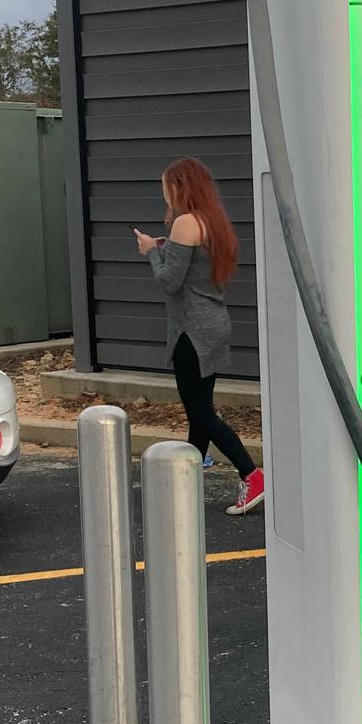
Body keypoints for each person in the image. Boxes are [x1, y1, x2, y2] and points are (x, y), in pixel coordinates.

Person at [134, 157, 264, 516]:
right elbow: (191, 269)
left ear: (180, 187)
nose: (166, 195)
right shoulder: (212, 222)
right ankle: (189, 480)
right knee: (199, 410)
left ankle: (252, 474)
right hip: (213, 324)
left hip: (192, 330)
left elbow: (168, 281)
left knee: (201, 412)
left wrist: (150, 252)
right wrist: (165, 248)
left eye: (167, 188)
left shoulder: (184, 222)